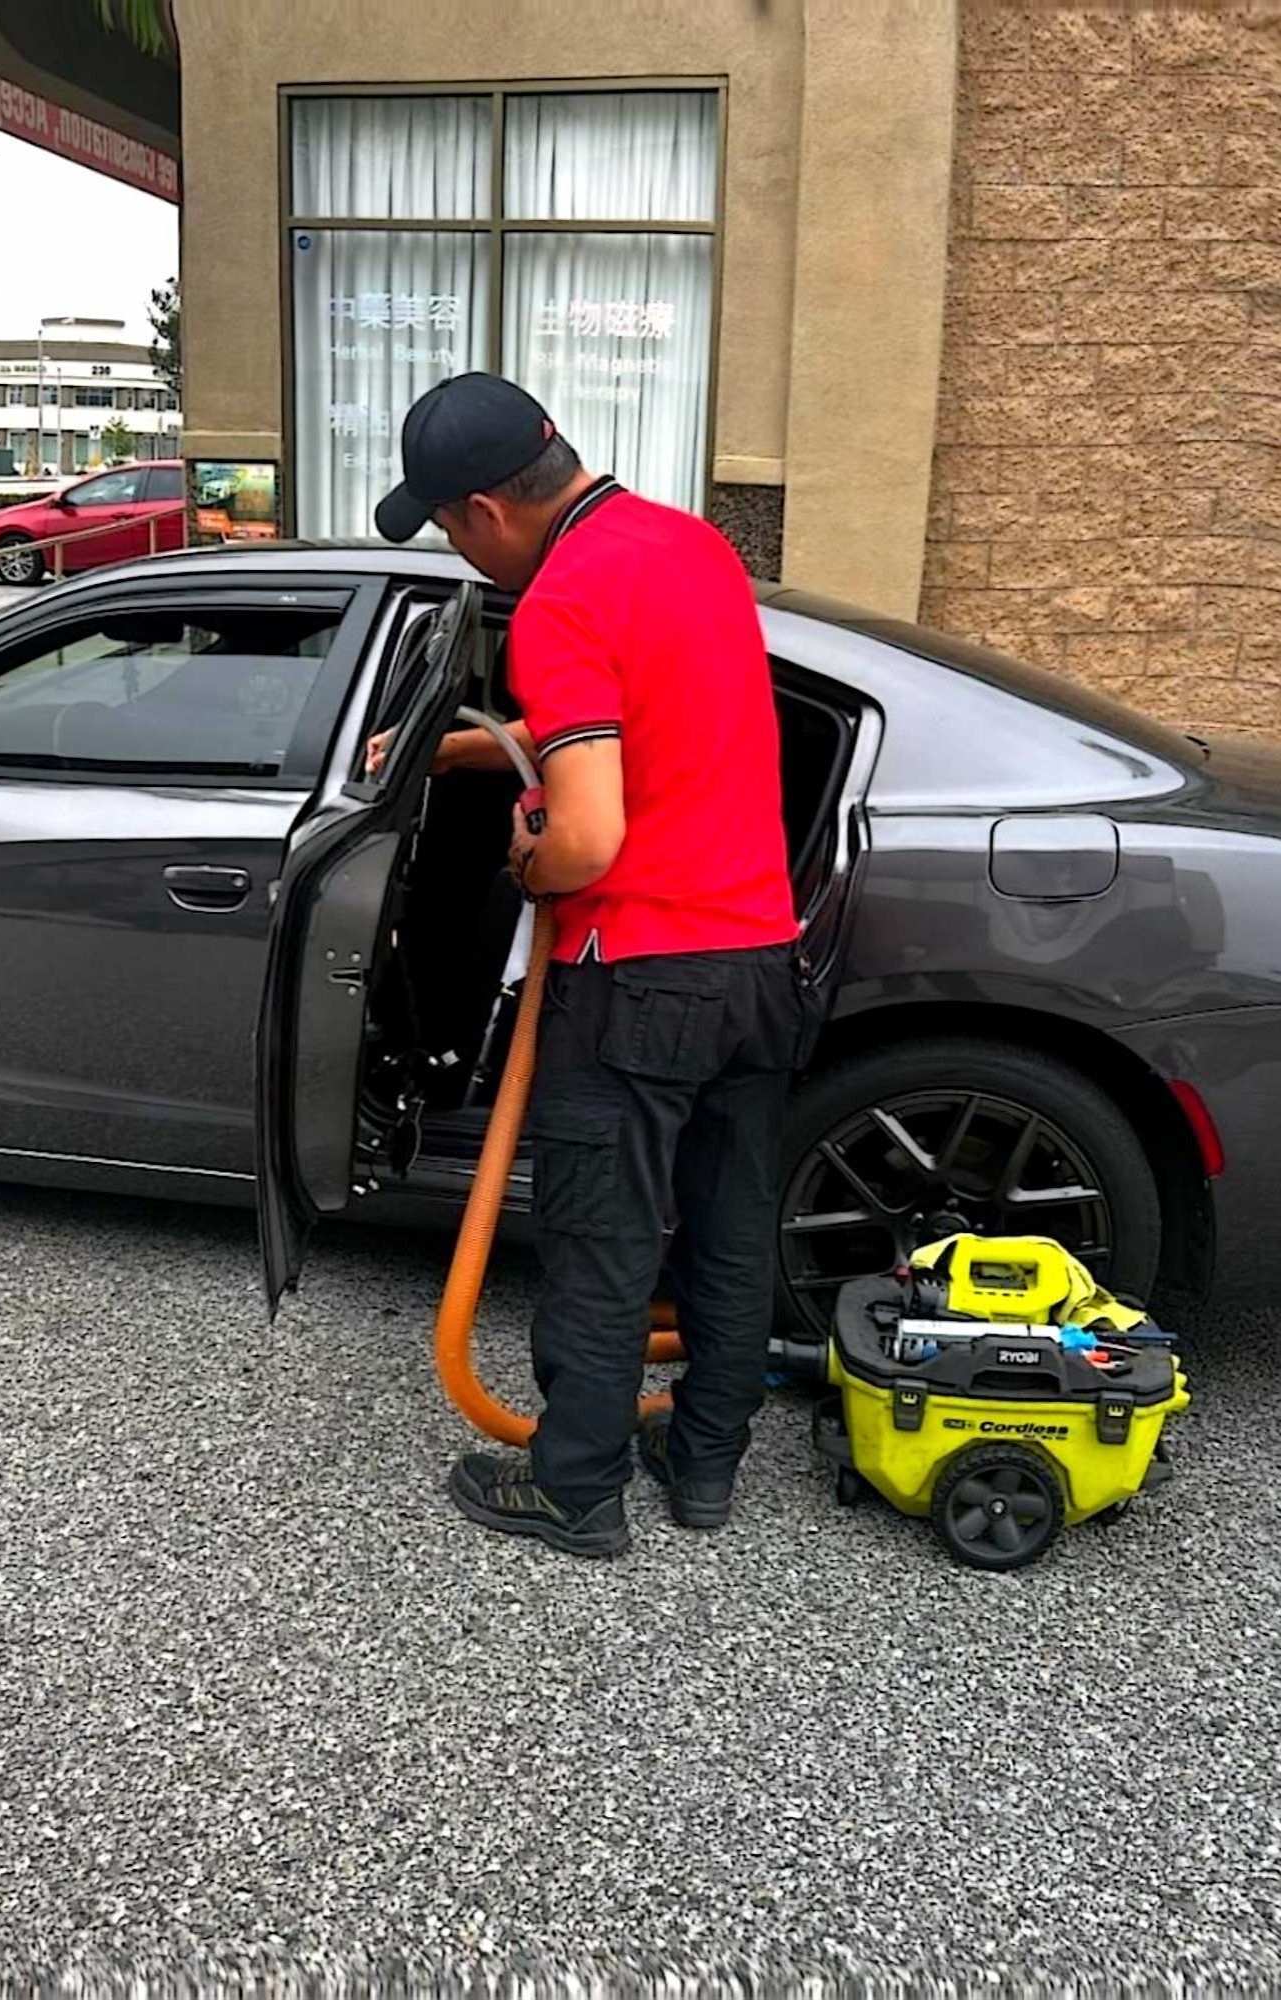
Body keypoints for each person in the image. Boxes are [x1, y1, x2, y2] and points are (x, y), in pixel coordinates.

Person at [371, 373, 806, 1559]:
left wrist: (529, 858)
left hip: (642, 973)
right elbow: (660, 724)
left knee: (604, 1238)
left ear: (483, 511)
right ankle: (704, 1462)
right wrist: (460, 751)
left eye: (451, 529)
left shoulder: (559, 601)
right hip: (759, 959)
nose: (462, 553)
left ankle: (574, 1487)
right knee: (723, 1226)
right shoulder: (690, 545)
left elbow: (591, 835)